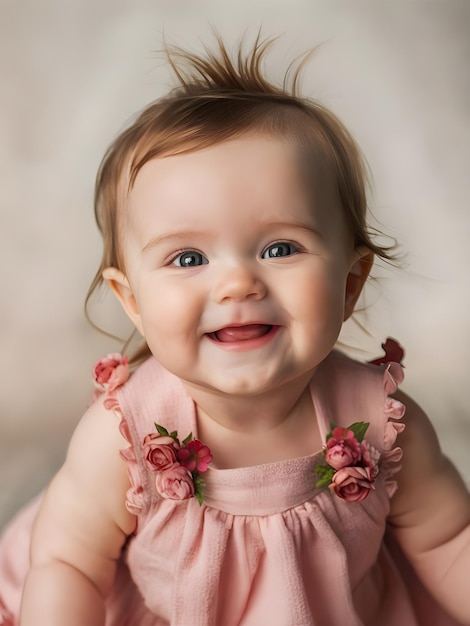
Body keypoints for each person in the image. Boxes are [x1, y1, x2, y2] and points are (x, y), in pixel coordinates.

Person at [0, 34, 469, 626]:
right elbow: (66, 562)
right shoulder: (124, 441)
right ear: (134, 301)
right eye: (189, 258)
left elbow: (447, 538)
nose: (238, 285)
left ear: (349, 284)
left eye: (280, 247)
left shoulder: (380, 425)